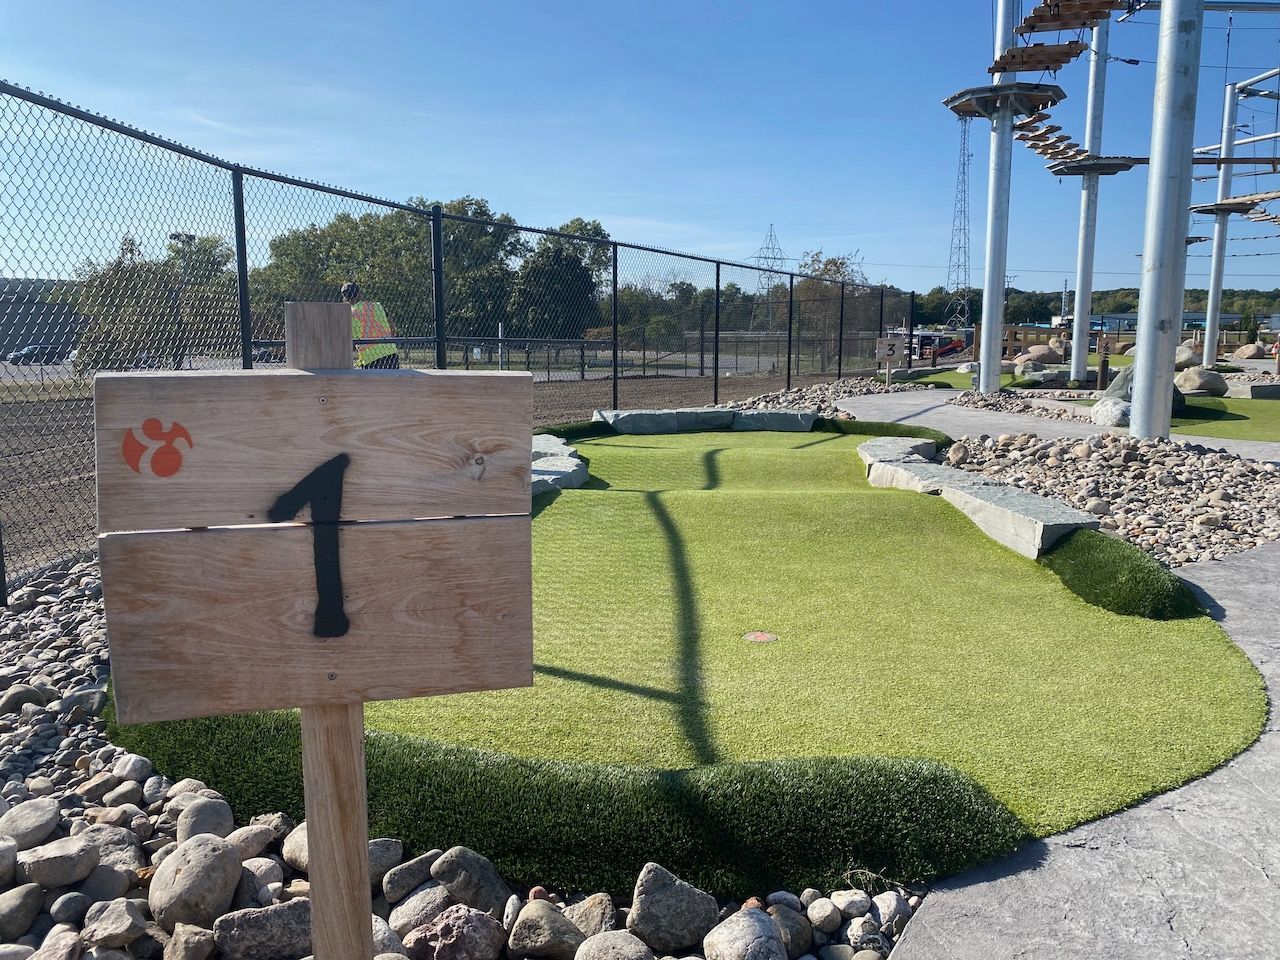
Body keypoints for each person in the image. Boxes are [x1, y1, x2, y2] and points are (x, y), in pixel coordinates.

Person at [342, 282, 399, 369]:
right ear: (359, 294)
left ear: (345, 298)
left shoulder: (348, 315)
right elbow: (392, 328)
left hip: (370, 358)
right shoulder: (377, 306)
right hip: (391, 353)